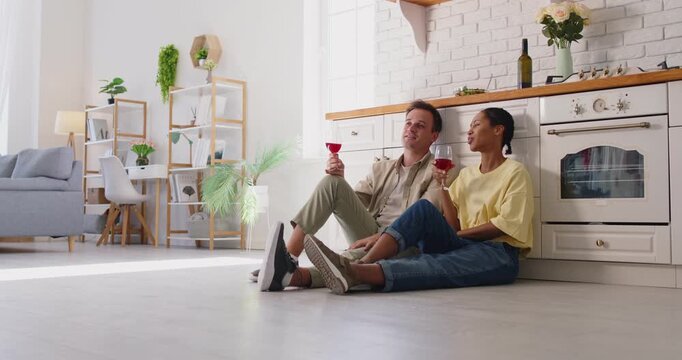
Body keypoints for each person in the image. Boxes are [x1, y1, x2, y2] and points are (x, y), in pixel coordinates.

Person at [303, 107, 534, 294]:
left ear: (498, 130)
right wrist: (442, 186)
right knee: (423, 208)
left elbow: (502, 225)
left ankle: (354, 272)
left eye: (476, 125)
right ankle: (363, 264)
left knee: (434, 264)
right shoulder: (466, 175)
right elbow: (451, 226)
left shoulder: (515, 172)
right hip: (461, 244)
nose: (469, 132)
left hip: (497, 253)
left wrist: (456, 236)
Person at [257, 100, 446, 291]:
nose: (411, 128)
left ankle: (290, 276)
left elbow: (422, 218)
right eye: (408, 123)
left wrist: (383, 237)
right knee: (332, 182)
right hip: (369, 232)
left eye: (420, 126)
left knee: (354, 260)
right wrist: (340, 179)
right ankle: (288, 259)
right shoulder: (381, 168)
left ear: (434, 136)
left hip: (404, 243)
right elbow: (354, 200)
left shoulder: (438, 173)